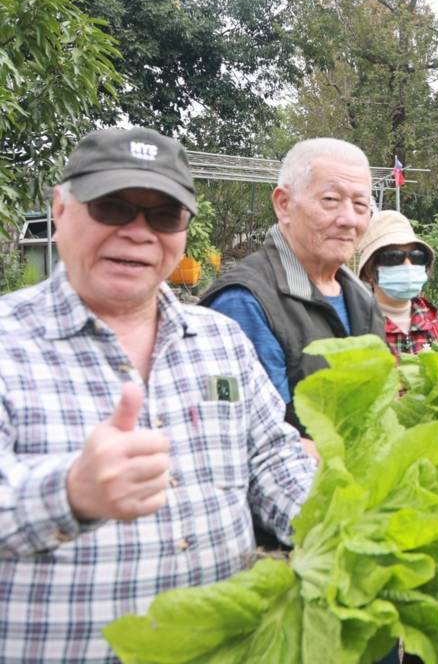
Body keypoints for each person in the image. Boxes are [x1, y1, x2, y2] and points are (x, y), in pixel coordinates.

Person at [0, 127, 315, 661]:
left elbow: (272, 459)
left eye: (163, 216)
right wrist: (71, 492)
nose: (138, 232)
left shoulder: (219, 340)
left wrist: (346, 521)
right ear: (60, 208)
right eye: (113, 207)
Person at [202, 138, 384, 439]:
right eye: (330, 200)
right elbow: (260, 436)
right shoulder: (245, 301)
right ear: (284, 205)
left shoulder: (362, 298)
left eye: (361, 204)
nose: (349, 219)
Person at [356, 210, 438, 358]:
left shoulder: (436, 321)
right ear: (369, 271)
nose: (408, 265)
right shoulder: (357, 328)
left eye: (417, 257)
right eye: (393, 257)